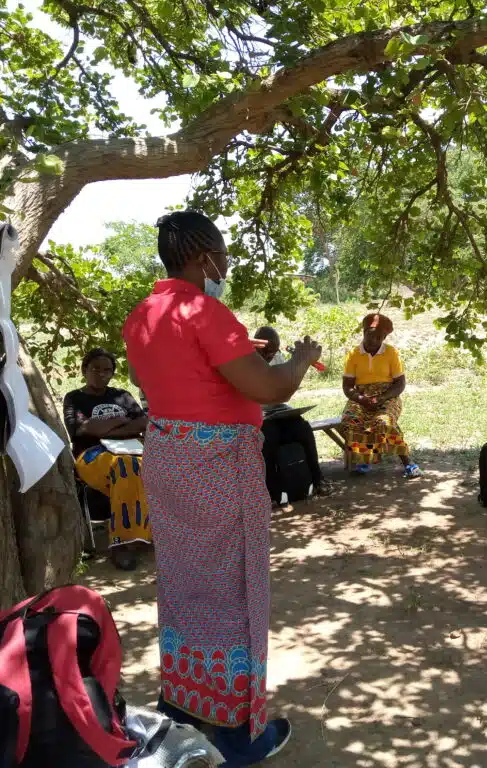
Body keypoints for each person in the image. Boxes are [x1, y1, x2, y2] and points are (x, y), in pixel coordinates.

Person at [123, 210, 322, 765]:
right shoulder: (203, 310)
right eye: (223, 256)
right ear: (204, 257)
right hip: (217, 466)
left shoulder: (143, 314)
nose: (225, 266)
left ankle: (183, 705)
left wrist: (234, 348)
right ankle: (239, 736)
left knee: (186, 584)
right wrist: (298, 359)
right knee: (234, 592)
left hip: (168, 461)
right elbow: (270, 387)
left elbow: (158, 379)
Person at [63, 348, 150, 571]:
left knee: (149, 466)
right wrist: (121, 421)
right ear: (84, 370)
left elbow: (143, 423)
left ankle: (151, 532)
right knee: (124, 466)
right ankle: (122, 543)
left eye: (107, 370)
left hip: (131, 450)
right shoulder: (74, 398)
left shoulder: (122, 396)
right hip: (91, 455)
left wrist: (103, 427)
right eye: (95, 369)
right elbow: (81, 430)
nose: (101, 374)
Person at [340, 313, 422, 478]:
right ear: (363, 333)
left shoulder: (391, 353)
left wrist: (382, 398)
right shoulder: (353, 354)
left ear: (384, 337)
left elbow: (400, 384)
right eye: (369, 336)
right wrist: (361, 399)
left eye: (378, 337)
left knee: (383, 421)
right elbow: (347, 387)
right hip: (361, 396)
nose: (373, 341)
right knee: (350, 419)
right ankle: (364, 460)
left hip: (388, 396)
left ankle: (408, 463)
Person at [252, 325, 327, 503]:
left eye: (274, 351)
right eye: (267, 351)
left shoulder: (277, 357)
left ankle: (318, 480)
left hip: (279, 409)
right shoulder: (246, 361)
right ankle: (271, 490)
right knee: (269, 437)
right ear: (256, 346)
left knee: (303, 429)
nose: (271, 355)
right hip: (257, 415)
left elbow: (285, 388)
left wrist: (298, 364)